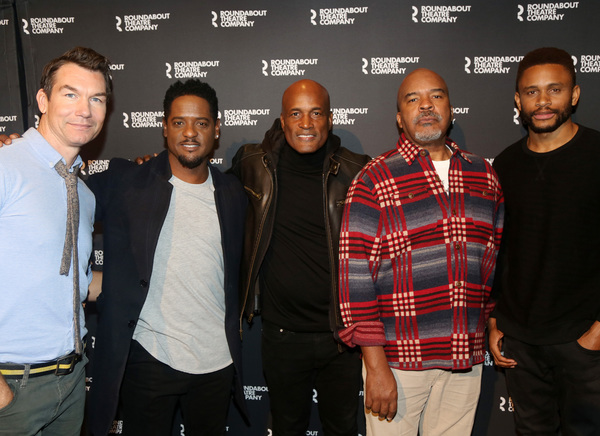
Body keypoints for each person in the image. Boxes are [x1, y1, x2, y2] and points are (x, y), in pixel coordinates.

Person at [338, 68, 504, 436]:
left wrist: (489, 323)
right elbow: (356, 279)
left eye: (436, 96)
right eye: (413, 99)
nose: (425, 105)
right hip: (399, 363)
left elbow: (491, 263)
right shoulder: (374, 178)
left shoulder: (483, 175)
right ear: (399, 117)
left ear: (451, 108)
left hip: (466, 357)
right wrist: (376, 367)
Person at [82, 79, 247, 436]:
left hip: (217, 362)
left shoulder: (232, 191)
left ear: (216, 129)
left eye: (201, 123)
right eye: (178, 122)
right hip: (150, 358)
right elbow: (61, 200)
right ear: (164, 127)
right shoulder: (127, 181)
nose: (190, 132)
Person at [229, 79, 370, 435]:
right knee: (287, 426)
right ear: (282, 119)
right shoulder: (252, 164)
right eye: (296, 113)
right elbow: (202, 185)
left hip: (341, 339)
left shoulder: (357, 171)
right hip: (281, 336)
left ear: (330, 118)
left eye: (315, 113)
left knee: (342, 427)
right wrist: (159, 169)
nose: (306, 123)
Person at [488, 47, 600, 435]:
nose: (543, 102)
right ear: (518, 100)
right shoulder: (503, 165)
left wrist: (598, 331)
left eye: (554, 89)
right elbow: (500, 253)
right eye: (531, 92)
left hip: (584, 342)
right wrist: (495, 321)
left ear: (575, 94)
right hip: (522, 343)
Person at [0, 47, 111, 435]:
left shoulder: (84, 192)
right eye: (70, 94)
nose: (85, 109)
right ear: (43, 100)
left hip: (70, 382)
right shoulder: (5, 164)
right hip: (12, 388)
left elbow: (73, 282)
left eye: (96, 98)